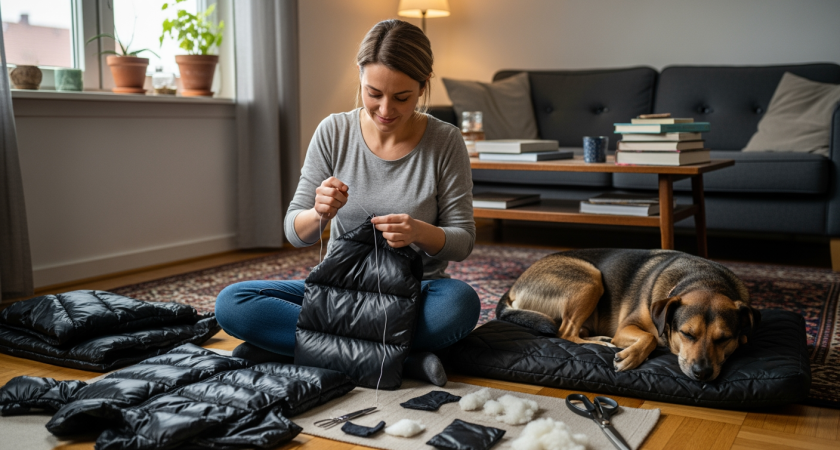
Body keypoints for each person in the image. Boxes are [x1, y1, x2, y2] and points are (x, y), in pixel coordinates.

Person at [215, 19, 479, 386]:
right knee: (233, 303)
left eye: (401, 97)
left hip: (413, 293)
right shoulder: (333, 132)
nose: (385, 109)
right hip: (339, 293)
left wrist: (418, 231)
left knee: (459, 305)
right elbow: (295, 232)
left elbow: (463, 240)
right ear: (359, 76)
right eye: (374, 93)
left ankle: (298, 350)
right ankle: (405, 357)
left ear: (423, 85)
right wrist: (319, 212)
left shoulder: (445, 141)